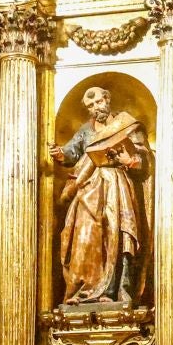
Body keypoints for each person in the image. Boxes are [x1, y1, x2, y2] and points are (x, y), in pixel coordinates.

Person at [50, 86, 148, 305]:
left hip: (117, 187)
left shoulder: (127, 126)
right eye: (90, 106)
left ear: (107, 99)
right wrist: (61, 153)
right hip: (88, 188)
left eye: (98, 103)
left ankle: (115, 290)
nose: (96, 108)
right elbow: (72, 152)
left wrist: (129, 161)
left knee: (117, 234)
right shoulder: (86, 130)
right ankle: (85, 289)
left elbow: (144, 160)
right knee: (83, 237)